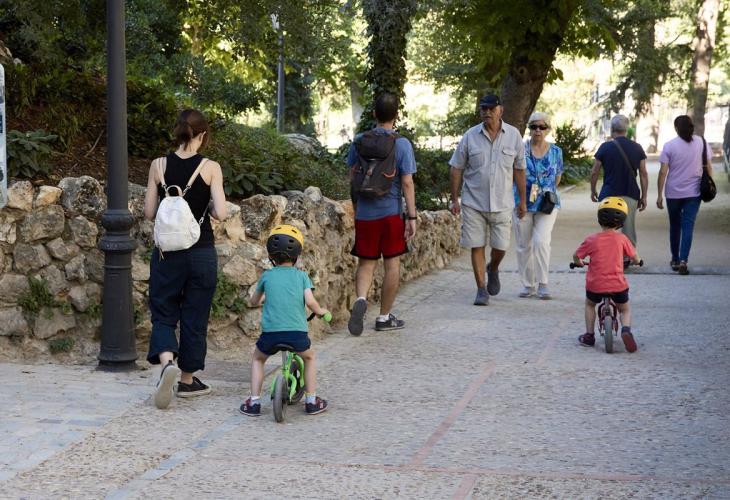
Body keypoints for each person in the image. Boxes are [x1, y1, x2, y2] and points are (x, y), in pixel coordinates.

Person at [144, 109, 228, 410]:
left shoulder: (158, 165)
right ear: (202, 134)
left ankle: (167, 362)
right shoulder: (210, 167)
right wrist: (205, 205)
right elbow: (221, 213)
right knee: (195, 315)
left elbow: (149, 213)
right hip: (201, 251)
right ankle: (188, 380)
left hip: (168, 252)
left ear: (177, 131)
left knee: (163, 310)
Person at [346, 93, 417, 336]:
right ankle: (384, 317)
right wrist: (412, 217)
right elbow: (407, 182)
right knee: (392, 264)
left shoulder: (359, 141)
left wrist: (357, 208)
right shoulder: (402, 144)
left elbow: (352, 177)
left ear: (374, 113)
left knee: (366, 263)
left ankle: (361, 299)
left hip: (365, 214)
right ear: (396, 115)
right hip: (391, 214)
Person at [240, 225, 330, 416]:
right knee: (309, 358)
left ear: (270, 255)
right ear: (297, 254)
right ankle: (312, 401)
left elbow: (254, 301)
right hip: (296, 334)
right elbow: (310, 302)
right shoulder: (302, 276)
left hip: (270, 335)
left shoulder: (266, 276)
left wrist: (262, 299)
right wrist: (321, 312)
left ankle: (254, 403)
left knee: (258, 359)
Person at [449, 94, 527, 305]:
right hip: (473, 202)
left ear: (501, 110)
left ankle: (493, 267)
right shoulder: (470, 136)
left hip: (502, 202)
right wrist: (454, 199)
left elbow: (519, 169)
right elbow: (456, 167)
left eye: (492, 108)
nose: (487, 112)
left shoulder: (513, 136)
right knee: (477, 245)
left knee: (501, 246)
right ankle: (481, 289)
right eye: (484, 108)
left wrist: (522, 201)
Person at [573, 197, 641, 353]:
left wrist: (579, 262)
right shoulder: (622, 239)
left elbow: (576, 256)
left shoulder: (592, 239)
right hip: (618, 286)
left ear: (600, 218)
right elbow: (635, 257)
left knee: (590, 304)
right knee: (624, 309)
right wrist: (638, 261)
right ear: (622, 221)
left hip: (595, 286)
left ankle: (589, 336)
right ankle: (626, 330)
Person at [513, 111, 563, 300]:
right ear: (529, 128)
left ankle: (543, 283)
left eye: (542, 127)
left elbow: (557, 177)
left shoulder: (556, 151)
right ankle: (528, 285)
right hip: (522, 202)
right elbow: (513, 173)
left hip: (547, 203)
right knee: (523, 244)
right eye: (534, 126)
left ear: (548, 129)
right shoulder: (520, 149)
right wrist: (521, 200)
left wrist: (545, 191)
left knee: (541, 241)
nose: (538, 130)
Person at [656, 115, 714, 275]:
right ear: (691, 126)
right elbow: (709, 167)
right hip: (694, 193)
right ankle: (683, 261)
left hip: (673, 193)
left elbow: (663, 172)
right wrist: (710, 185)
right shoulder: (701, 142)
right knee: (688, 226)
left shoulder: (669, 146)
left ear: (676, 128)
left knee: (675, 225)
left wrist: (659, 195)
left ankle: (675, 259)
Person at [590, 114, 648, 252]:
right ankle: (628, 256)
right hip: (630, 193)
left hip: (609, 194)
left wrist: (593, 190)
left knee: (608, 228)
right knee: (628, 229)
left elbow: (594, 171)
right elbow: (643, 173)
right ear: (627, 129)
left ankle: (606, 254)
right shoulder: (637, 147)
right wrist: (644, 196)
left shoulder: (605, 147)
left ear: (612, 129)